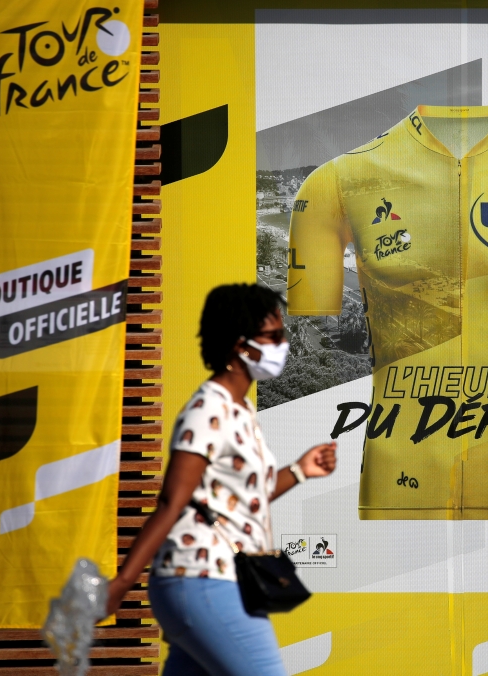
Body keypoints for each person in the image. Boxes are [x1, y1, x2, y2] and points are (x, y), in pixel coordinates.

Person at [106, 283, 338, 676]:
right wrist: (123, 582)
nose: (283, 343)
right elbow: (172, 501)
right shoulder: (208, 408)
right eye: (273, 336)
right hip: (202, 579)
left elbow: (245, 498)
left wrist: (300, 470)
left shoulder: (240, 409)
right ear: (238, 344)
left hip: (209, 583)